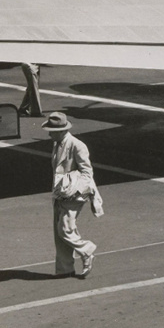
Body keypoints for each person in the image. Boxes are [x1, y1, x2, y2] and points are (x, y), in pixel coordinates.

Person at [46, 112, 101, 278]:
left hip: (74, 195)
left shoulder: (77, 145)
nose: (49, 134)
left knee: (65, 230)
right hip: (60, 193)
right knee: (59, 232)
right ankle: (65, 269)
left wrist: (76, 190)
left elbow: (87, 172)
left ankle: (86, 250)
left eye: (52, 131)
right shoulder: (57, 143)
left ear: (62, 131)